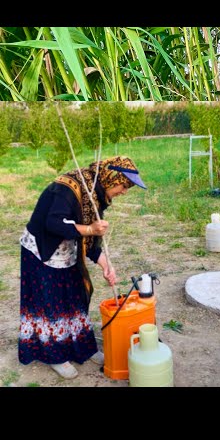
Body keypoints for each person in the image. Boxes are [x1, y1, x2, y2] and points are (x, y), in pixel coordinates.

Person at [18, 156, 147, 379]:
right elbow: (53, 223)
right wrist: (89, 230)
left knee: (75, 296)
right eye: (124, 185)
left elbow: (92, 239)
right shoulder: (68, 188)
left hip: (67, 250)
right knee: (51, 303)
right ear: (111, 178)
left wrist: (106, 265)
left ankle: (82, 348)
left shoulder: (96, 194)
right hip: (42, 250)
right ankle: (55, 355)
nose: (124, 191)